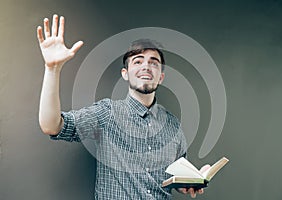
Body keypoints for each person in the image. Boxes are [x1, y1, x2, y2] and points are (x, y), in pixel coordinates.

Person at [37, 14, 209, 199]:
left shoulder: (173, 126)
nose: (146, 66)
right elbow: (51, 125)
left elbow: (174, 177)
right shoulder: (107, 113)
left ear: (161, 77)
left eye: (153, 62)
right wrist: (52, 69)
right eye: (138, 61)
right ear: (125, 74)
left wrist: (188, 183)